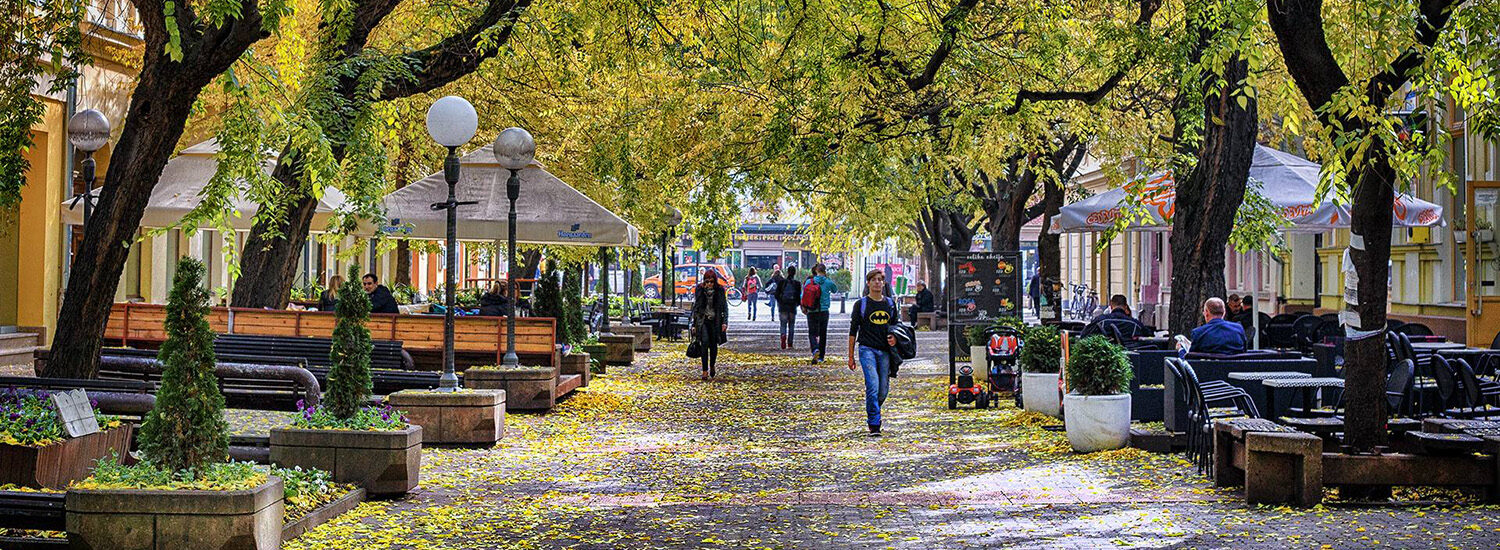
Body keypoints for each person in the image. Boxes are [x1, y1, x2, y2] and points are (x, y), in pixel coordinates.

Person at [848, 269, 898, 436]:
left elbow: (896, 328)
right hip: (866, 349)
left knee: (883, 390)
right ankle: (874, 423)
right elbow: (853, 331)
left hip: (885, 351)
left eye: (880, 280)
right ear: (868, 283)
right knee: (873, 385)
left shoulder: (890, 304)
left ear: (883, 284)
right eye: (874, 280)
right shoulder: (861, 304)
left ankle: (873, 408)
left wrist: (894, 339)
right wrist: (850, 356)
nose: (877, 282)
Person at [692, 270, 729, 380]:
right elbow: (696, 308)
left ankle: (712, 364)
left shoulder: (720, 291)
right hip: (703, 321)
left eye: (711, 282)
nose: (709, 284)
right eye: (707, 282)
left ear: (715, 282)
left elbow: (725, 307)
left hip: (715, 321)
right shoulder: (700, 290)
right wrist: (694, 324)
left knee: (713, 345)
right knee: (704, 343)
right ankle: (704, 370)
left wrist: (724, 322)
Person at [804, 263, 838, 363]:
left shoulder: (809, 281)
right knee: (823, 333)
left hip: (811, 310)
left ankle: (815, 349)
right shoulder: (828, 282)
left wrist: (804, 307)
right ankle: (821, 357)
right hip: (823, 311)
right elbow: (835, 290)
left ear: (816, 271)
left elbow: (804, 294)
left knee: (812, 333)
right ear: (824, 271)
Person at [1081, 294, 1146, 339]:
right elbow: (1148, 334)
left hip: (1107, 354)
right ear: (1126, 306)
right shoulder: (1134, 323)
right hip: (1131, 353)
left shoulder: (1101, 321)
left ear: (1111, 306)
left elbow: (1084, 335)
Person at [775, 266, 802, 349]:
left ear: (787, 272)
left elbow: (777, 294)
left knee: (783, 324)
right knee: (792, 325)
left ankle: (783, 335)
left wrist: (780, 302)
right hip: (792, 307)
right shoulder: (797, 283)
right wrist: (797, 304)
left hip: (783, 307)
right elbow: (798, 296)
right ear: (795, 273)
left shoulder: (782, 282)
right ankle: (790, 343)